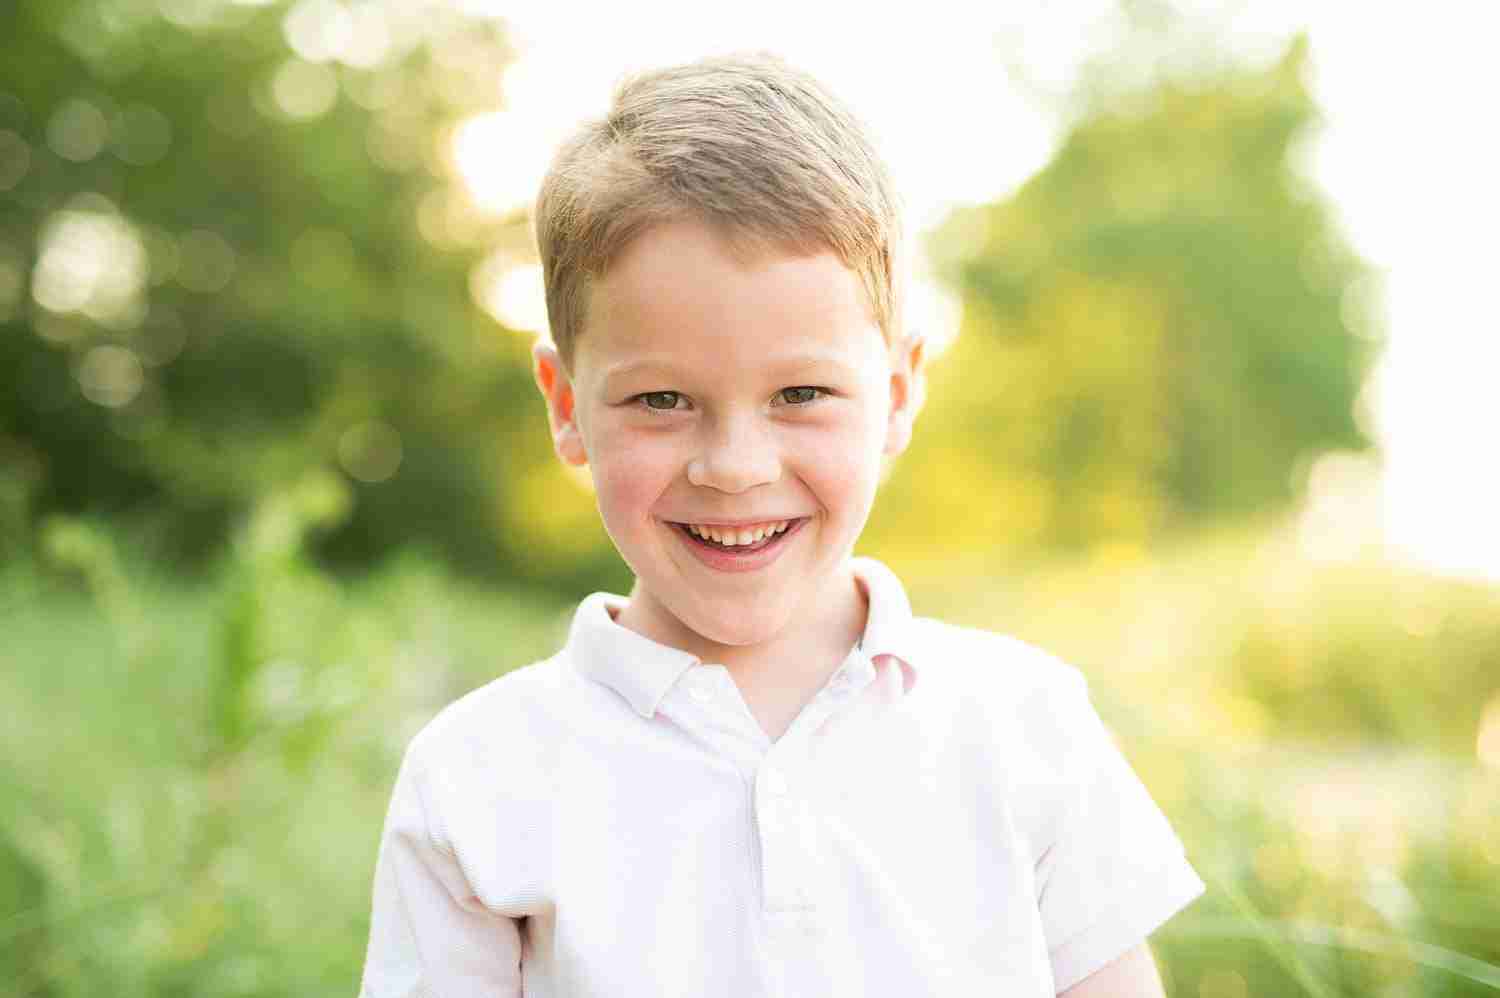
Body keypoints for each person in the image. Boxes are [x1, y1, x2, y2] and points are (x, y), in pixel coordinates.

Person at [359, 50, 1204, 997]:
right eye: (662, 399)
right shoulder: (478, 778)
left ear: (896, 391)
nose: (734, 467)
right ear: (565, 404)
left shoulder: (1026, 726)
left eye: (800, 393)